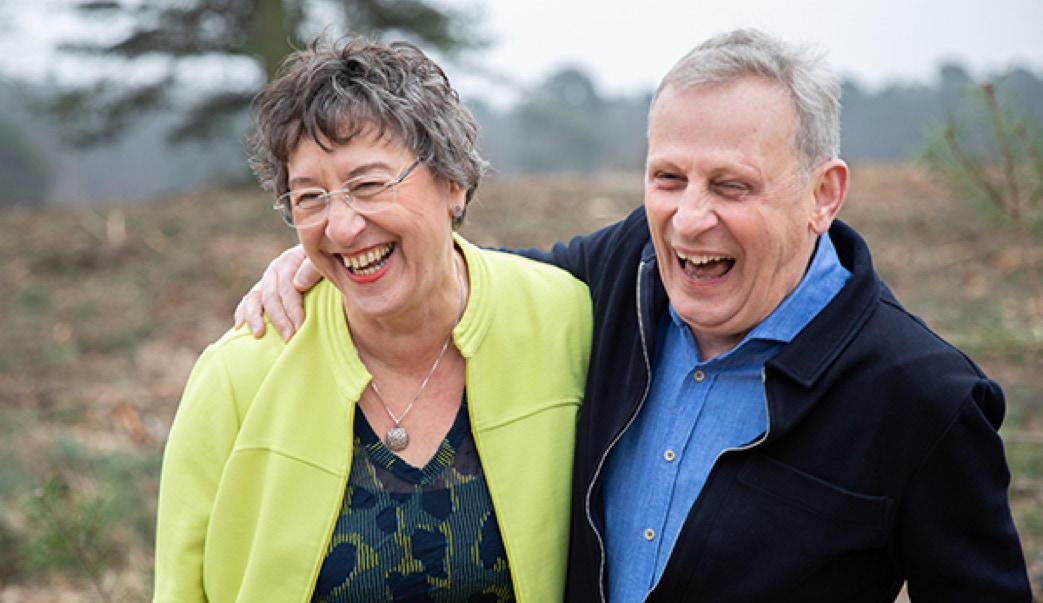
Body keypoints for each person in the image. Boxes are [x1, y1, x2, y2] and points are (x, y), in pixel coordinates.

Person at [234, 29, 1032, 601]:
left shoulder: (921, 398)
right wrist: (341, 247)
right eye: (667, 177)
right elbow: (475, 283)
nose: (688, 219)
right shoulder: (623, 271)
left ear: (823, 193)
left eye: (730, 186)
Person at [153, 35, 593, 603]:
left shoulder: (565, 324)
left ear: (452, 180)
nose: (340, 227)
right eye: (309, 197)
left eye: (368, 185)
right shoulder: (239, 376)